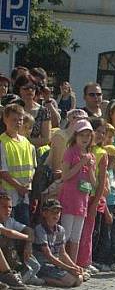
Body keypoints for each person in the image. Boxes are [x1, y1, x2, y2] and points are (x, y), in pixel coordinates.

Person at [58, 119, 96, 263]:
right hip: (69, 199)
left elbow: (93, 183)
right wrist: (81, 163)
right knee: (65, 235)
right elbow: (65, 176)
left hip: (82, 201)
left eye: (88, 135)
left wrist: (91, 167)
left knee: (76, 237)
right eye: (82, 135)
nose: (85, 139)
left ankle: (73, 264)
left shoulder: (90, 155)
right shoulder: (70, 152)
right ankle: (63, 264)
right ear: (76, 136)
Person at [76, 117, 109, 275]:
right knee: (78, 229)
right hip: (80, 194)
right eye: (98, 132)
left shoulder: (102, 153)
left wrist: (97, 201)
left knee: (88, 230)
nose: (101, 135)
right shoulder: (84, 150)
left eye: (104, 133)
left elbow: (102, 180)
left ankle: (85, 261)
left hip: (93, 195)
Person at [0, 104, 36, 225]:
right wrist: (19, 187)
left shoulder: (26, 142)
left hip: (23, 196)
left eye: (20, 120)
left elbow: (32, 167)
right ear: (5, 119)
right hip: (7, 196)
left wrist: (26, 186)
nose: (18, 123)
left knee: (24, 229)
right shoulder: (2, 142)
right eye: (14, 119)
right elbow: (3, 172)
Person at [0, 190, 40, 289]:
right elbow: (8, 232)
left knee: (34, 265)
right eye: (4, 207)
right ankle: (7, 275)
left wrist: (28, 244)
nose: (8, 210)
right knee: (8, 239)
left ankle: (15, 273)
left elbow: (29, 230)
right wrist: (27, 237)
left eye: (9, 207)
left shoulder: (10, 221)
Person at [14, 74, 51, 148]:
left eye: (32, 87)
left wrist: (25, 141)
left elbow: (46, 139)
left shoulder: (44, 111)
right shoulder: (12, 108)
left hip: (34, 151)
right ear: (19, 89)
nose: (30, 90)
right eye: (26, 88)